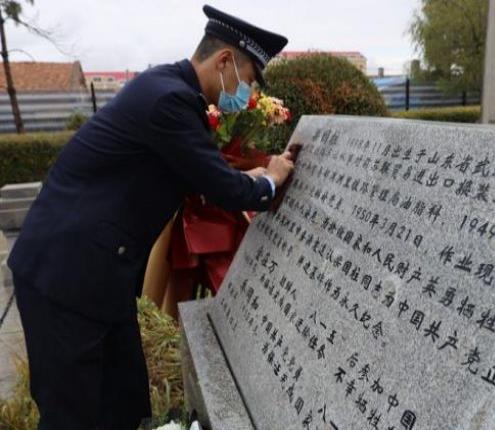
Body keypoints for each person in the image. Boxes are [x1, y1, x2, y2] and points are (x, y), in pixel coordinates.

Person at [7, 4, 293, 429]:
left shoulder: (168, 87)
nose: (247, 93)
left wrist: (246, 174)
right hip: (66, 277)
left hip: (98, 272)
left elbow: (198, 170)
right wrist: (271, 179)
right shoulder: (170, 101)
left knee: (122, 402)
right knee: (73, 414)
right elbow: (225, 189)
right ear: (224, 61)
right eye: (248, 80)